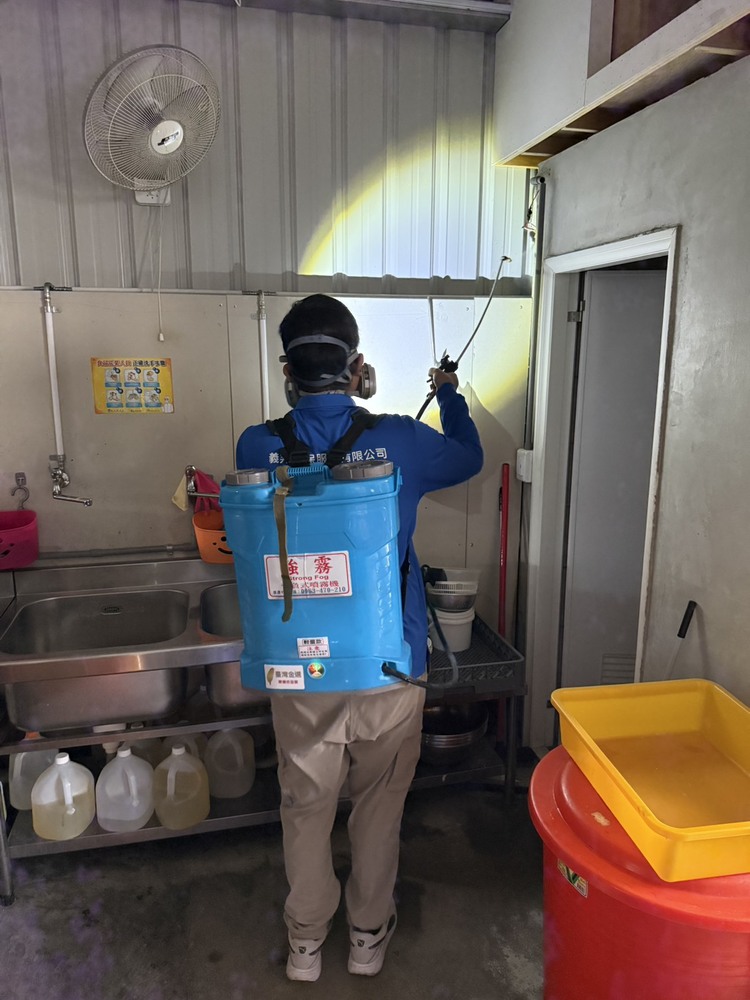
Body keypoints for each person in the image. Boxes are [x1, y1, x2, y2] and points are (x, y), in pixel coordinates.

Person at [235, 294, 483, 981]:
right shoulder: (401, 440)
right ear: (357, 367)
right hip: (388, 666)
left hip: (300, 671)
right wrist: (448, 394)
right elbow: (469, 456)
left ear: (287, 370)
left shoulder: (256, 445)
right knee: (378, 807)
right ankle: (368, 936)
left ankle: (306, 943)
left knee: (304, 808)